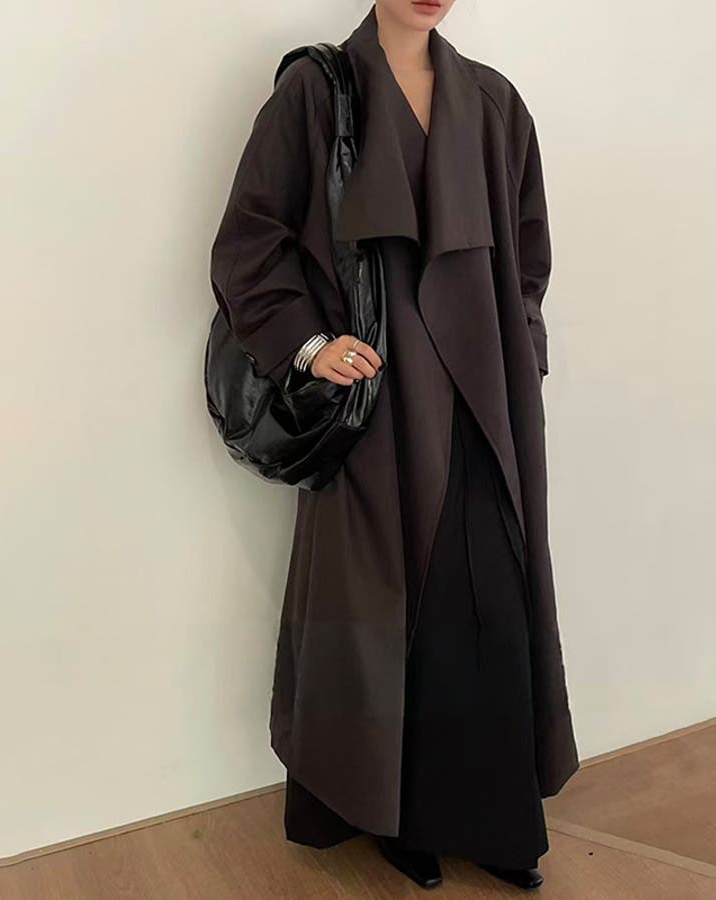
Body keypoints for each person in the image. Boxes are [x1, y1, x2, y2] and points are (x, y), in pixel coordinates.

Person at [209, 0, 579, 891]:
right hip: (379, 399)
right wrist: (309, 346)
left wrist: (522, 346)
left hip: (487, 398)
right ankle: (396, 818)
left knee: (492, 599)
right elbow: (250, 242)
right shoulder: (317, 91)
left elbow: (528, 252)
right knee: (391, 608)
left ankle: (493, 819)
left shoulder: (492, 101)